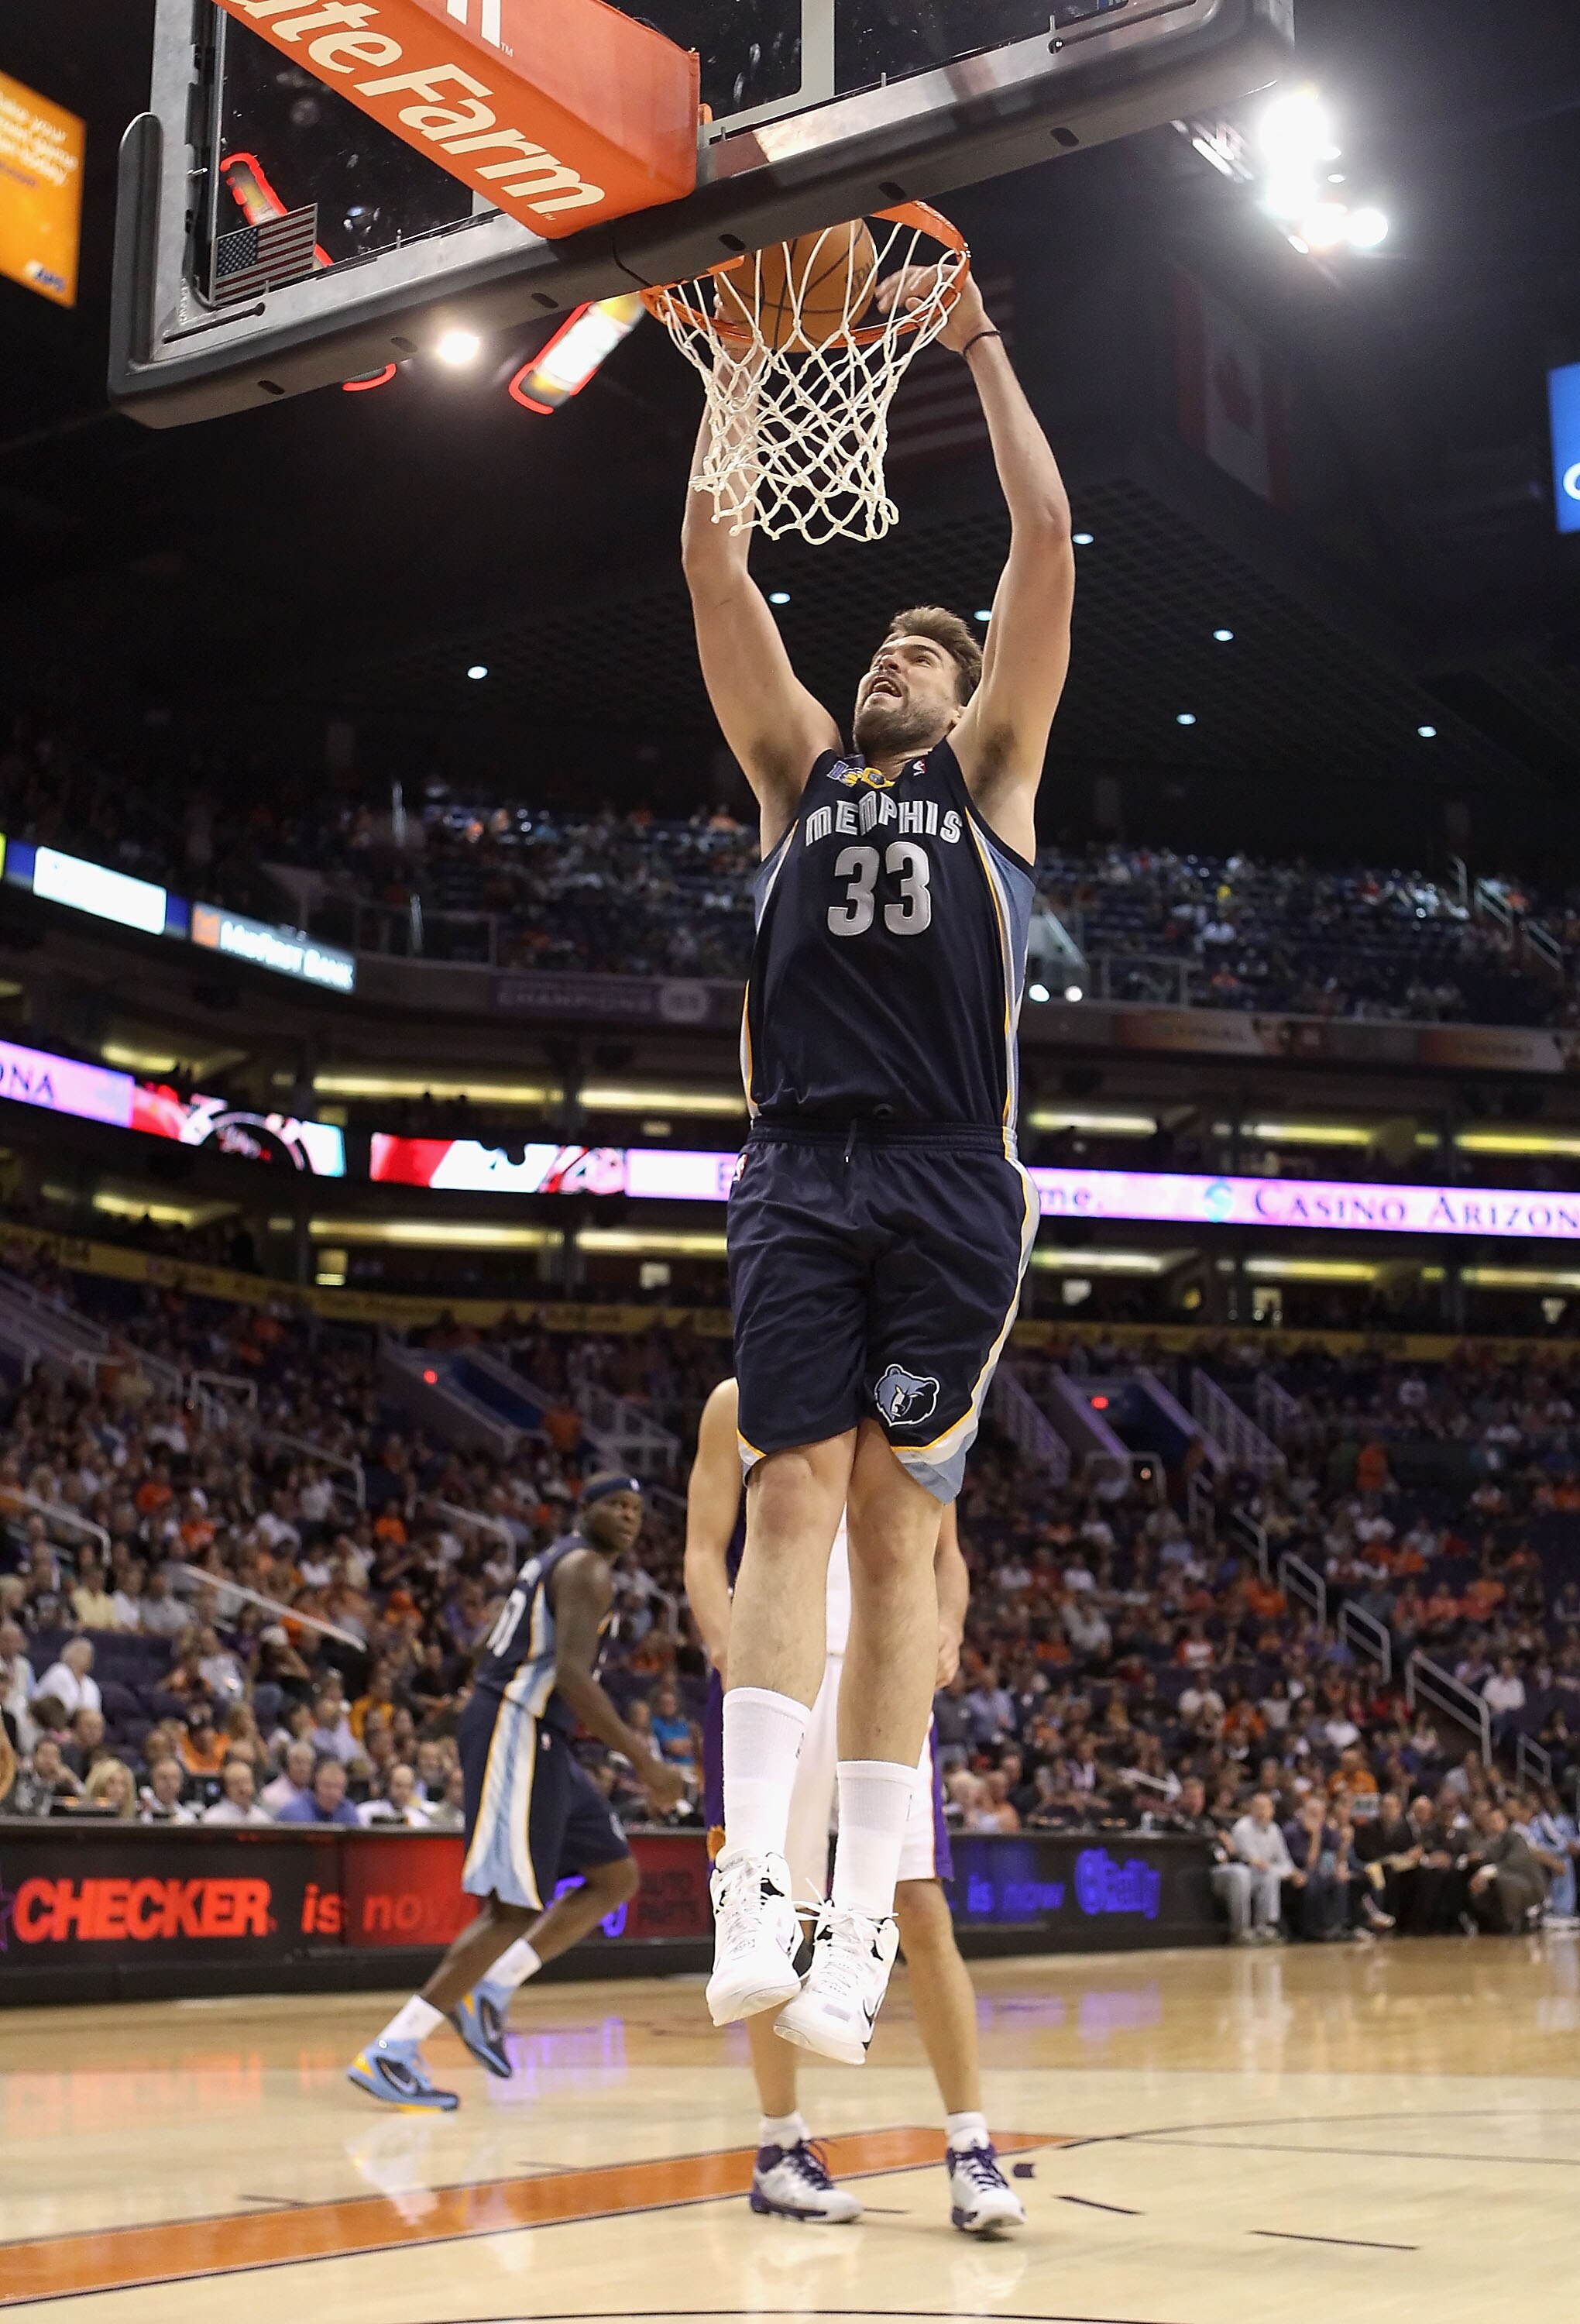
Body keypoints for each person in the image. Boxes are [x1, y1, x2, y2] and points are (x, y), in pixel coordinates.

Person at [681, 251, 1074, 2058]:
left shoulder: (986, 777)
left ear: (968, 684)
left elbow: (1045, 541)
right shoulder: (795, 777)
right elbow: (711, 564)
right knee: (792, 1497)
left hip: (944, 1171)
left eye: (919, 643)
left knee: (903, 1538)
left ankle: (858, 1921)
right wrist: (736, 371)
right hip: (794, 1167)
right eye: (880, 644)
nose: (886, 654)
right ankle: (752, 1881)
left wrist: (976, 334)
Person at [685, 1377, 1023, 2234]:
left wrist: (947, 1623)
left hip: (884, 1677)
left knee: (921, 1908)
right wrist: (728, 1644)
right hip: (780, 1683)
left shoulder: (916, 1400)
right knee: (770, 1918)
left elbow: (947, 1556)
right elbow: (702, 1548)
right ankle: (780, 2145)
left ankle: (970, 2147)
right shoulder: (740, 1397)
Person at [347, 1474, 685, 2110]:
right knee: (511, 1909)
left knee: (615, 1876)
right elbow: (575, 1680)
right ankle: (393, 2050)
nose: (629, 1517)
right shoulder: (585, 1568)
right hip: (518, 1727)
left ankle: (491, 1992)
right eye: (615, 1504)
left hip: (542, 1735)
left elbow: (487, 1645)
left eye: (638, 1509)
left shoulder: (550, 1562)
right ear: (583, 1509)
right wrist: (645, 1762)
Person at [1228, 1793, 1294, 1942]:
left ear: (1273, 1810)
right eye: (1258, 1807)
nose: (1262, 1812)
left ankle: (1263, 1927)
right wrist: (1280, 1870)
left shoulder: (1274, 1829)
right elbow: (1255, 1862)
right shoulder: (1242, 1828)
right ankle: (1241, 1929)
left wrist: (1290, 1872)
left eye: (1266, 1808)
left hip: (1260, 1874)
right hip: (1240, 1873)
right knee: (1247, 1875)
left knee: (1270, 1874)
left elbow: (1285, 1861)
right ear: (1251, 1809)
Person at [275, 1755, 360, 1827]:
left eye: (339, 1787)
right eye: (327, 1786)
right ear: (314, 1786)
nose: (333, 1793)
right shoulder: (293, 1813)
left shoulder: (348, 1810)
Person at [203, 1758, 273, 1825]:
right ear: (226, 1788)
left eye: (246, 1782)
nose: (243, 1789)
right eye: (236, 1784)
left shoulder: (262, 1819)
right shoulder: (212, 1819)